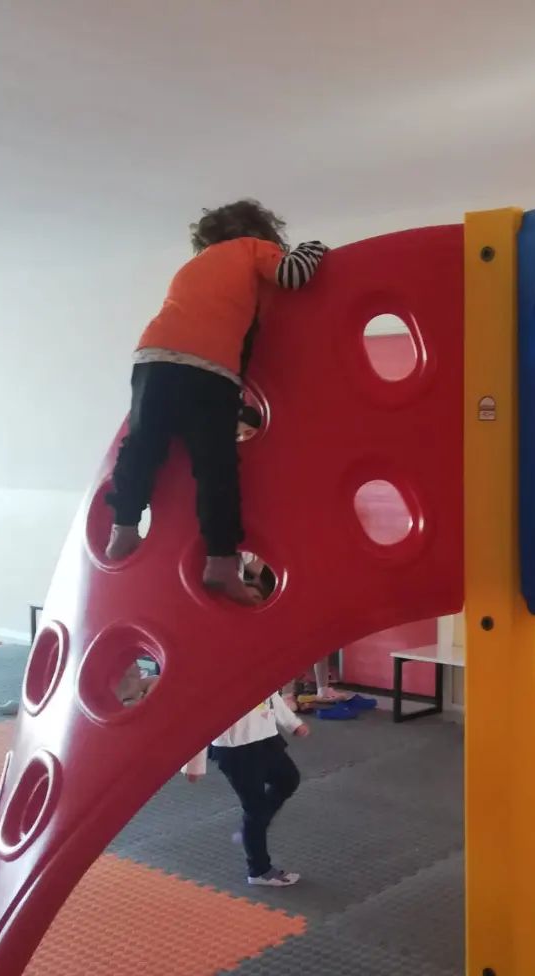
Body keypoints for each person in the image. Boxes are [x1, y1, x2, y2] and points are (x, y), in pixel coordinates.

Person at [104, 199, 328, 605]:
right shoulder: (252, 248)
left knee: (142, 444)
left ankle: (123, 527)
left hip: (154, 359)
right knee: (216, 468)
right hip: (209, 371)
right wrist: (315, 248)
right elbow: (293, 274)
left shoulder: (195, 266)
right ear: (260, 232)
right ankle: (221, 561)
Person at [185, 690, 310, 887]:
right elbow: (200, 717)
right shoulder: (213, 681)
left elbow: (271, 696)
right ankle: (259, 870)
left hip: (266, 739)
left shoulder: (256, 674)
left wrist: (292, 723)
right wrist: (194, 764)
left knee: (288, 779)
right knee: (255, 809)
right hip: (236, 750)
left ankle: (253, 828)